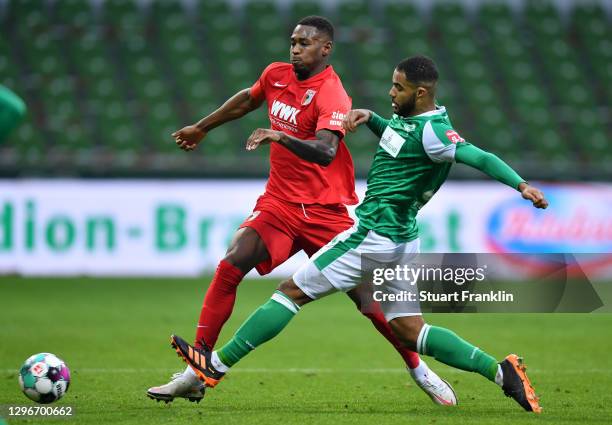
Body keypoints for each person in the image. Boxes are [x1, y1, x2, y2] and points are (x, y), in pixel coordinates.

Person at [169, 55, 547, 413]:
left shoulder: (435, 133)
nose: (390, 92)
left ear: (420, 93)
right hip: (401, 242)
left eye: (397, 88)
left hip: (373, 237)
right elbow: (401, 142)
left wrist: (521, 185)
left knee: (290, 294)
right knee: (411, 331)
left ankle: (213, 367)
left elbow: (479, 156)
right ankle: (502, 372)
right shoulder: (415, 122)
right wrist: (372, 119)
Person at [147, 19, 455, 405]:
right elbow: (247, 98)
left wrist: (278, 135)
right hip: (279, 204)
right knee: (231, 264)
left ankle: (419, 369)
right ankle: (197, 368)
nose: (295, 49)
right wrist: (202, 127)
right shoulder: (276, 75)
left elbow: (326, 151)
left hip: (325, 211)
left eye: (304, 43)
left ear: (325, 49)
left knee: (370, 303)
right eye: (293, 42)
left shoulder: (332, 94)